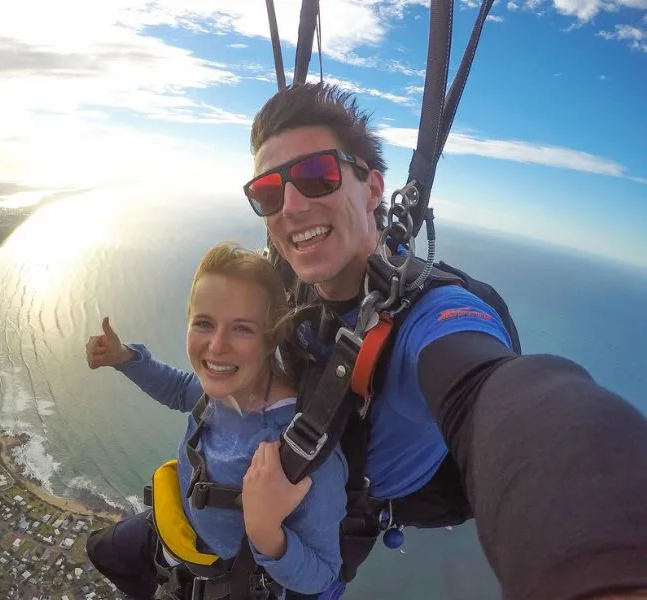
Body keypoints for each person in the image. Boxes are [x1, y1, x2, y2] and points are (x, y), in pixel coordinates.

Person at [238, 81, 647, 599]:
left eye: (317, 175)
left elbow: (494, 392)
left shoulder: (427, 315)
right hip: (282, 490)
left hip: (324, 538)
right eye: (267, 193)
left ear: (372, 188)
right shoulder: (295, 277)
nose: (290, 206)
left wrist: (605, 564)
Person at [83, 241, 350, 600]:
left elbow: (323, 575)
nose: (217, 346)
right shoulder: (225, 391)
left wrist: (265, 529)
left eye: (242, 329)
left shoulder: (300, 452)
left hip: (217, 578)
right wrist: (125, 358)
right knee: (102, 550)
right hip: (174, 531)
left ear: (271, 338)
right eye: (204, 324)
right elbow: (180, 390)